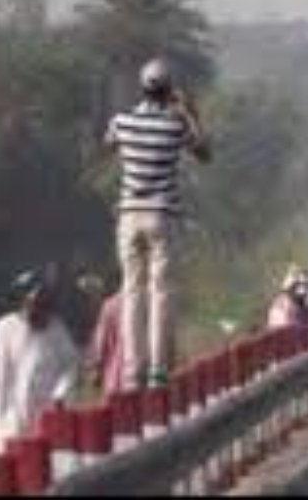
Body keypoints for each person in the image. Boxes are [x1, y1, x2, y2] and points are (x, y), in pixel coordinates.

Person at [105, 58, 211, 390]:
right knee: (160, 291)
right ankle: (156, 369)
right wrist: (191, 112)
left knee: (132, 290)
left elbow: (109, 143)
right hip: (162, 215)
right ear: (168, 92)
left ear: (142, 88)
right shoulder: (175, 124)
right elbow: (205, 153)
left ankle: (132, 370)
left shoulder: (122, 121)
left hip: (129, 215)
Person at [0, 271, 79, 453]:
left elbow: (71, 365)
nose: (36, 310)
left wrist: (60, 394)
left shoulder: (56, 329)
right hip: (8, 413)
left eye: (42, 304)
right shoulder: (4, 327)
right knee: (11, 460)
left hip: (44, 409)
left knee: (39, 463)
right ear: (22, 303)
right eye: (31, 304)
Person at [87, 284, 123, 396]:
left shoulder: (110, 305)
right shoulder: (154, 303)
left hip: (116, 378)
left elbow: (101, 344)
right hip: (148, 382)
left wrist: (96, 369)